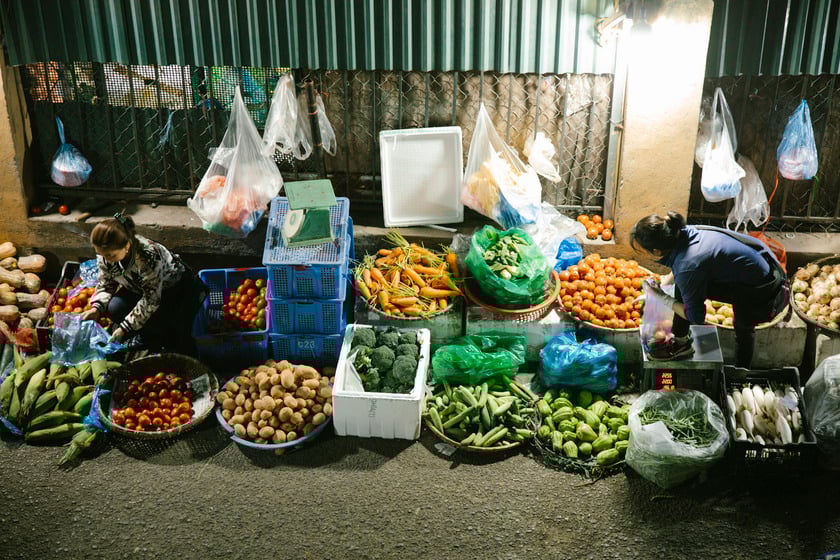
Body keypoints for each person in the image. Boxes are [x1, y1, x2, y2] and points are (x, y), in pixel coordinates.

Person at [630, 211, 788, 367]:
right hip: (759, 266)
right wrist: (661, 288)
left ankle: (741, 371)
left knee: (743, 326)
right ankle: (681, 341)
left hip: (762, 288)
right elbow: (682, 267)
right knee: (685, 286)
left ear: (656, 251)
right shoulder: (683, 232)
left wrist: (661, 297)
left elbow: (695, 317)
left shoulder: (688, 265)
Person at [81, 213, 207, 356]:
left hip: (173, 289)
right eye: (102, 255)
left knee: (174, 332)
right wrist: (96, 309)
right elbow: (106, 282)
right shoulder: (106, 255)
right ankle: (146, 333)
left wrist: (124, 328)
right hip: (139, 288)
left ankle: (155, 337)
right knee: (115, 307)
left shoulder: (147, 258)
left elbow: (151, 300)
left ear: (127, 246)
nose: (106, 260)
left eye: (111, 256)